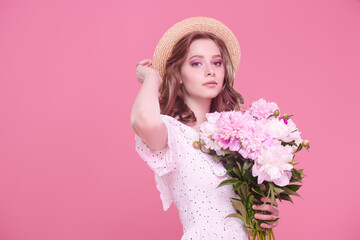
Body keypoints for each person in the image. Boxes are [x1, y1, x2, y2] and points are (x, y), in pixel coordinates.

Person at [131, 16, 280, 239]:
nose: (210, 71)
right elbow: (143, 120)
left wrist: (266, 209)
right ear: (178, 74)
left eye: (217, 63)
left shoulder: (239, 136)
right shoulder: (172, 134)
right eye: (196, 63)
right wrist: (152, 77)